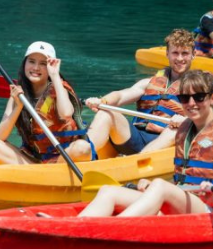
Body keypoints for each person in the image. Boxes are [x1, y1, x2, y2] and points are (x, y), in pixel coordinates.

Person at [79, 70, 213, 217]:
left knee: (160, 186)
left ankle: (110, 229)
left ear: (212, 98)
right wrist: (151, 186)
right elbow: (181, 181)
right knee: (109, 191)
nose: (191, 104)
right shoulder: (184, 130)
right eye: (184, 98)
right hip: (187, 201)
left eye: (199, 97)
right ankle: (73, 227)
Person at [0, 42, 95, 165]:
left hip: (64, 158)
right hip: (33, 160)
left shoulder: (58, 88)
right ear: (25, 63)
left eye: (43, 63)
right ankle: (37, 173)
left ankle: (46, 174)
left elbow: (66, 114)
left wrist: (55, 75)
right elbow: (1, 136)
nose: (35, 68)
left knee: (82, 148)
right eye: (32, 61)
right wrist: (18, 106)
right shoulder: (18, 93)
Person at [83, 28, 194, 156]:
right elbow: (120, 96)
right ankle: (83, 152)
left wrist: (186, 121)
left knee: (174, 131)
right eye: (175, 53)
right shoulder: (147, 83)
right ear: (167, 54)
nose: (180, 58)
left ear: (193, 54)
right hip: (136, 137)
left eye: (185, 53)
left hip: (163, 140)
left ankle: (139, 159)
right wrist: (102, 101)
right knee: (106, 112)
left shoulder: (198, 90)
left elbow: (205, 119)